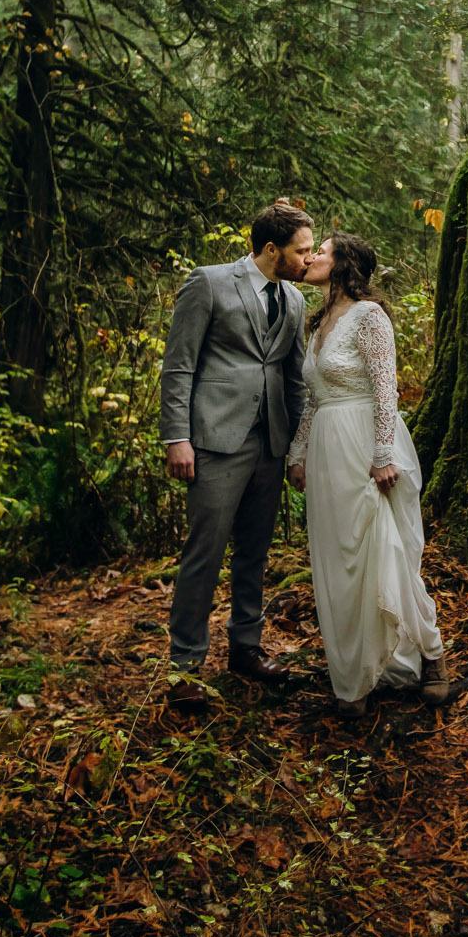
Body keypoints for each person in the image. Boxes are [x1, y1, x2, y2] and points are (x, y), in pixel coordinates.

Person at [158, 201, 314, 713]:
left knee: (255, 552)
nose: (309, 260)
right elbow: (179, 366)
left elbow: (292, 377)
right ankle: (185, 666)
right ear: (272, 250)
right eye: (302, 251)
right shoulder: (208, 282)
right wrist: (175, 438)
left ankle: (245, 647)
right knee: (204, 553)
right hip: (214, 441)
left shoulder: (293, 299)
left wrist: (296, 448)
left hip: (269, 443)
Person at [286, 233, 451, 718]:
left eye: (323, 250)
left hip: (366, 446)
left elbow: (386, 391)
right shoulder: (317, 324)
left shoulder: (370, 317)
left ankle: (432, 656)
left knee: (385, 553)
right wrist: (298, 454)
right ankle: (354, 674)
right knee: (338, 563)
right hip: (326, 453)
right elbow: (314, 398)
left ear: (344, 265)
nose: (313, 256)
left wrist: (382, 455)